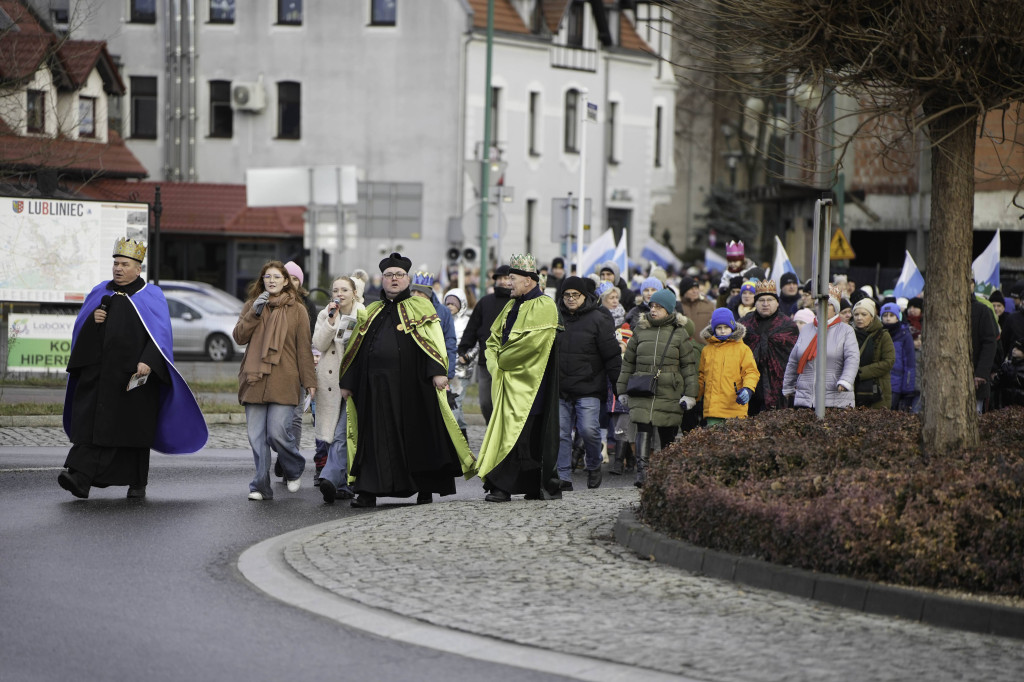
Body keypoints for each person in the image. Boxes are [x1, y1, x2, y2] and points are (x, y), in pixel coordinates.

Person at [59, 238, 208, 499]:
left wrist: (149, 360)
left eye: (124, 264)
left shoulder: (151, 296)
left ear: (138, 269)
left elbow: (160, 336)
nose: (118, 268)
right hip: (98, 377)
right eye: (115, 263)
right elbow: (82, 332)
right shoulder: (99, 293)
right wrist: (94, 322)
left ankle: (136, 482)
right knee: (93, 427)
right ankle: (79, 476)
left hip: (134, 378)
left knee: (133, 434)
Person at [338, 253, 474, 508]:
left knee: (417, 437)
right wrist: (348, 381)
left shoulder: (421, 307)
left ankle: (425, 488)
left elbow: (433, 344)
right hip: (374, 389)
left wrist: (438, 372)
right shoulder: (371, 311)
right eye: (389, 275)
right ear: (382, 280)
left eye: (399, 275)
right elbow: (356, 348)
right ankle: (368, 491)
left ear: (407, 279)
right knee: (373, 440)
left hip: (412, 388)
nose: (393, 279)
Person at [476, 253, 563, 502]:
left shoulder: (545, 306)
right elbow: (492, 340)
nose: (508, 283)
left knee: (525, 436)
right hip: (508, 383)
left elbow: (531, 345)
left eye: (512, 278)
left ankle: (513, 486)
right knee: (511, 434)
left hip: (531, 386)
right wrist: (495, 364)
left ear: (528, 280)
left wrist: (502, 360)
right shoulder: (511, 305)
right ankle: (510, 485)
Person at [233, 261, 317, 501]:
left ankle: (293, 468)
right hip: (254, 379)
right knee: (256, 438)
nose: (271, 281)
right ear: (262, 281)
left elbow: (304, 349)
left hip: (285, 379)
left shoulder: (298, 310)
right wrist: (253, 313)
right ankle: (260, 486)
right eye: (267, 277)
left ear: (286, 281)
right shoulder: (252, 305)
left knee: (278, 433)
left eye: (276, 277)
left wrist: (309, 381)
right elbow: (239, 337)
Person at [616, 288, 698, 488]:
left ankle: (667, 472)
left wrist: (690, 394)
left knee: (667, 431)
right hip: (643, 387)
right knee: (643, 427)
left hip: (669, 389)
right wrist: (622, 390)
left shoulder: (679, 334)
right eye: (652, 306)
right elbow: (628, 362)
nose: (653, 310)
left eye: (659, 307)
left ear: (669, 310)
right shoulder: (640, 330)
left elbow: (688, 366)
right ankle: (642, 472)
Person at [555, 276, 622, 490]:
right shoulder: (555, 318)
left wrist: (618, 386)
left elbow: (611, 356)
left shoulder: (598, 319)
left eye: (576, 295)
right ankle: (563, 476)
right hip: (561, 388)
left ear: (585, 296)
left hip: (589, 387)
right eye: (567, 295)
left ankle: (593, 464)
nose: (571, 299)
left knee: (588, 430)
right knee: (561, 433)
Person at [313, 275, 363, 503]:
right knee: (333, 435)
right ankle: (342, 485)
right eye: (336, 290)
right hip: (331, 384)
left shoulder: (363, 314)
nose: (339, 294)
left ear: (354, 292)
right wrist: (331, 322)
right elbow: (319, 344)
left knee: (344, 433)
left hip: (354, 382)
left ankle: (329, 478)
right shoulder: (326, 314)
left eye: (344, 289)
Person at [783, 285, 860, 409]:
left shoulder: (846, 330)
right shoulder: (807, 328)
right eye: (819, 304)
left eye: (828, 304)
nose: (822, 307)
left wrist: (845, 381)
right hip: (806, 400)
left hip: (834, 398)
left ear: (835, 309)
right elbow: (793, 360)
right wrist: (788, 385)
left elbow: (852, 358)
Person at [457, 265, 513, 424]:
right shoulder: (485, 302)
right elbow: (473, 328)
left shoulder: (518, 303)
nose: (503, 281)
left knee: (505, 404)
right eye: (499, 278)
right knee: (486, 403)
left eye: (507, 278)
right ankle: (492, 430)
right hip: (486, 362)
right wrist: (464, 349)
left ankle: (502, 437)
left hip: (510, 363)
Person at [739, 280, 799, 415]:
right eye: (761, 300)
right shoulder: (744, 324)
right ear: (755, 303)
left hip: (779, 387)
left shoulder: (788, 326)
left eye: (770, 300)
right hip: (749, 387)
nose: (765, 304)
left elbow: (793, 358)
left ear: (777, 302)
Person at [698, 308, 760, 426]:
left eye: (726, 327)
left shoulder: (743, 349)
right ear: (713, 329)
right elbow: (701, 376)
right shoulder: (706, 351)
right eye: (719, 328)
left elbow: (751, 372)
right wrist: (693, 397)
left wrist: (748, 389)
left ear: (732, 327)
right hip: (713, 409)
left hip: (735, 408)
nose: (722, 331)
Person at [850, 298, 895, 409]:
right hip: (853, 391)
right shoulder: (849, 334)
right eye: (856, 314)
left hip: (877, 392)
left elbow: (888, 362)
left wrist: (861, 372)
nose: (859, 318)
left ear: (872, 316)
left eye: (864, 314)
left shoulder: (883, 335)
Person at [880, 302, 916, 411]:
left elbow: (909, 364)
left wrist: (907, 389)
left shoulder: (904, 335)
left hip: (896, 384)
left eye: (891, 315)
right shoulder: (878, 334)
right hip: (880, 384)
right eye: (885, 316)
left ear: (897, 317)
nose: (888, 318)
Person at [679, 275, 715, 343]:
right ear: (684, 292)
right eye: (691, 289)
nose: (695, 291)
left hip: (704, 348)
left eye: (696, 288)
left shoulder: (709, 305)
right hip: (684, 349)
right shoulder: (678, 307)